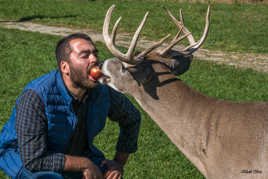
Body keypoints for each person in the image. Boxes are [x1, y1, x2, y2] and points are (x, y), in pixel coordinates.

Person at [0, 33, 141, 179]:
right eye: (84, 55)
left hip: (75, 153)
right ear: (65, 67)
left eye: (95, 54)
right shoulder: (35, 97)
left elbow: (132, 118)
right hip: (23, 157)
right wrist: (84, 164)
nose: (94, 59)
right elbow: (33, 159)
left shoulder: (102, 90)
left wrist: (118, 164)